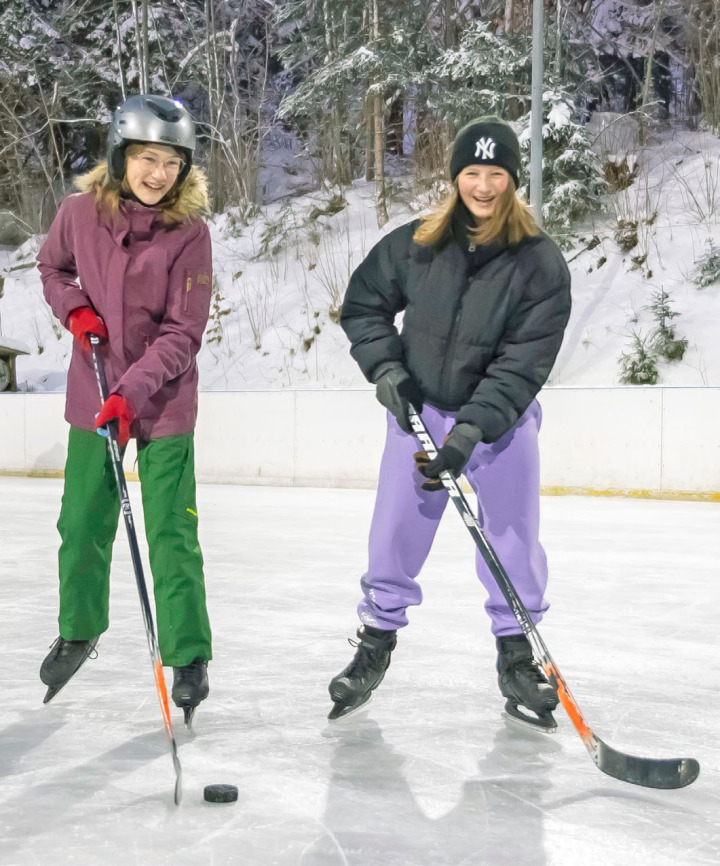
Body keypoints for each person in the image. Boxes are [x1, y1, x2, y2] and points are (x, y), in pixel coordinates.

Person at [329, 116, 571, 730]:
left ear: (513, 181)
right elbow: (363, 306)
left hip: (500, 423)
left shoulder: (539, 264)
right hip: (419, 414)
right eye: (472, 172)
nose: (483, 186)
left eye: (496, 174)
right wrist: (386, 369)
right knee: (394, 532)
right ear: (455, 176)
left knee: (511, 537)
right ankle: (375, 643)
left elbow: (523, 363)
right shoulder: (417, 243)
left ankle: (518, 658)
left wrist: (471, 432)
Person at [37, 94, 213, 718]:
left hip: (162, 401)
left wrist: (130, 392)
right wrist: (73, 309)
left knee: (172, 532)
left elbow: (182, 333)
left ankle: (188, 654)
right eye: (145, 158)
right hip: (94, 390)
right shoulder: (78, 214)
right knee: (82, 522)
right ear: (119, 157)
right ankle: (80, 628)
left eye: (170, 161)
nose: (157, 174)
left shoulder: (190, 234)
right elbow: (53, 268)